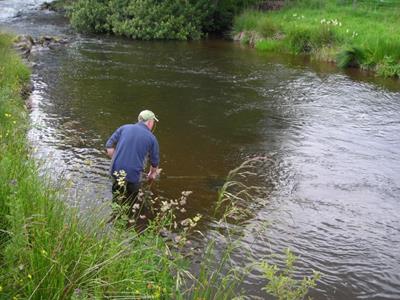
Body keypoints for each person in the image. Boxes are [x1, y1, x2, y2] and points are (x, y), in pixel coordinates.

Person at [105, 110, 160, 210]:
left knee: (116, 198)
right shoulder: (152, 138)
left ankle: (115, 216)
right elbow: (154, 162)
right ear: (150, 122)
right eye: (153, 122)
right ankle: (127, 220)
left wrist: (117, 159)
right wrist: (152, 174)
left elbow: (109, 147)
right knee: (130, 202)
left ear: (139, 119)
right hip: (133, 176)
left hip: (116, 171)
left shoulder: (124, 128)